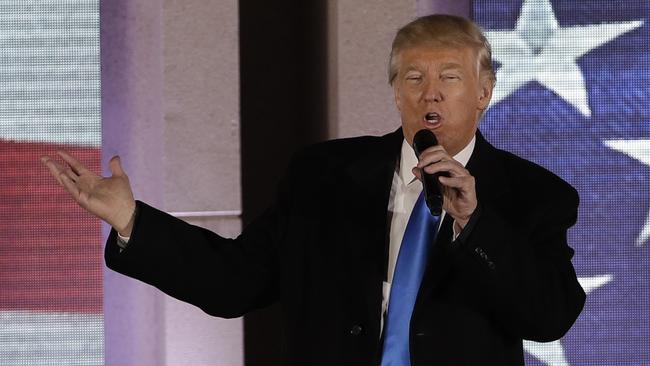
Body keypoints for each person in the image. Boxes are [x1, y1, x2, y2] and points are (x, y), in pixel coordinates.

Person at [42, 14, 585, 366]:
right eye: (414, 78)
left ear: (485, 92)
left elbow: (547, 316)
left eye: (450, 76)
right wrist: (133, 221)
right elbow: (234, 282)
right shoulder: (323, 176)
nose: (430, 92)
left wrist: (475, 222)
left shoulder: (534, 195)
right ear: (396, 92)